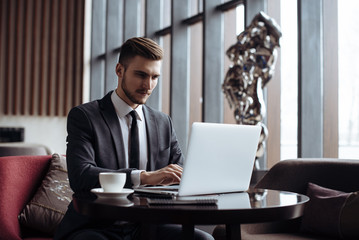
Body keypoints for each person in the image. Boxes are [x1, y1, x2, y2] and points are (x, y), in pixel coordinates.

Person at [54, 37, 214, 240]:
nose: (148, 85)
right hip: (95, 226)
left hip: (149, 226)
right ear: (119, 70)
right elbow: (81, 176)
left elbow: (181, 173)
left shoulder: (163, 122)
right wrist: (143, 177)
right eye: (141, 75)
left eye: (155, 77)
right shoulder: (85, 116)